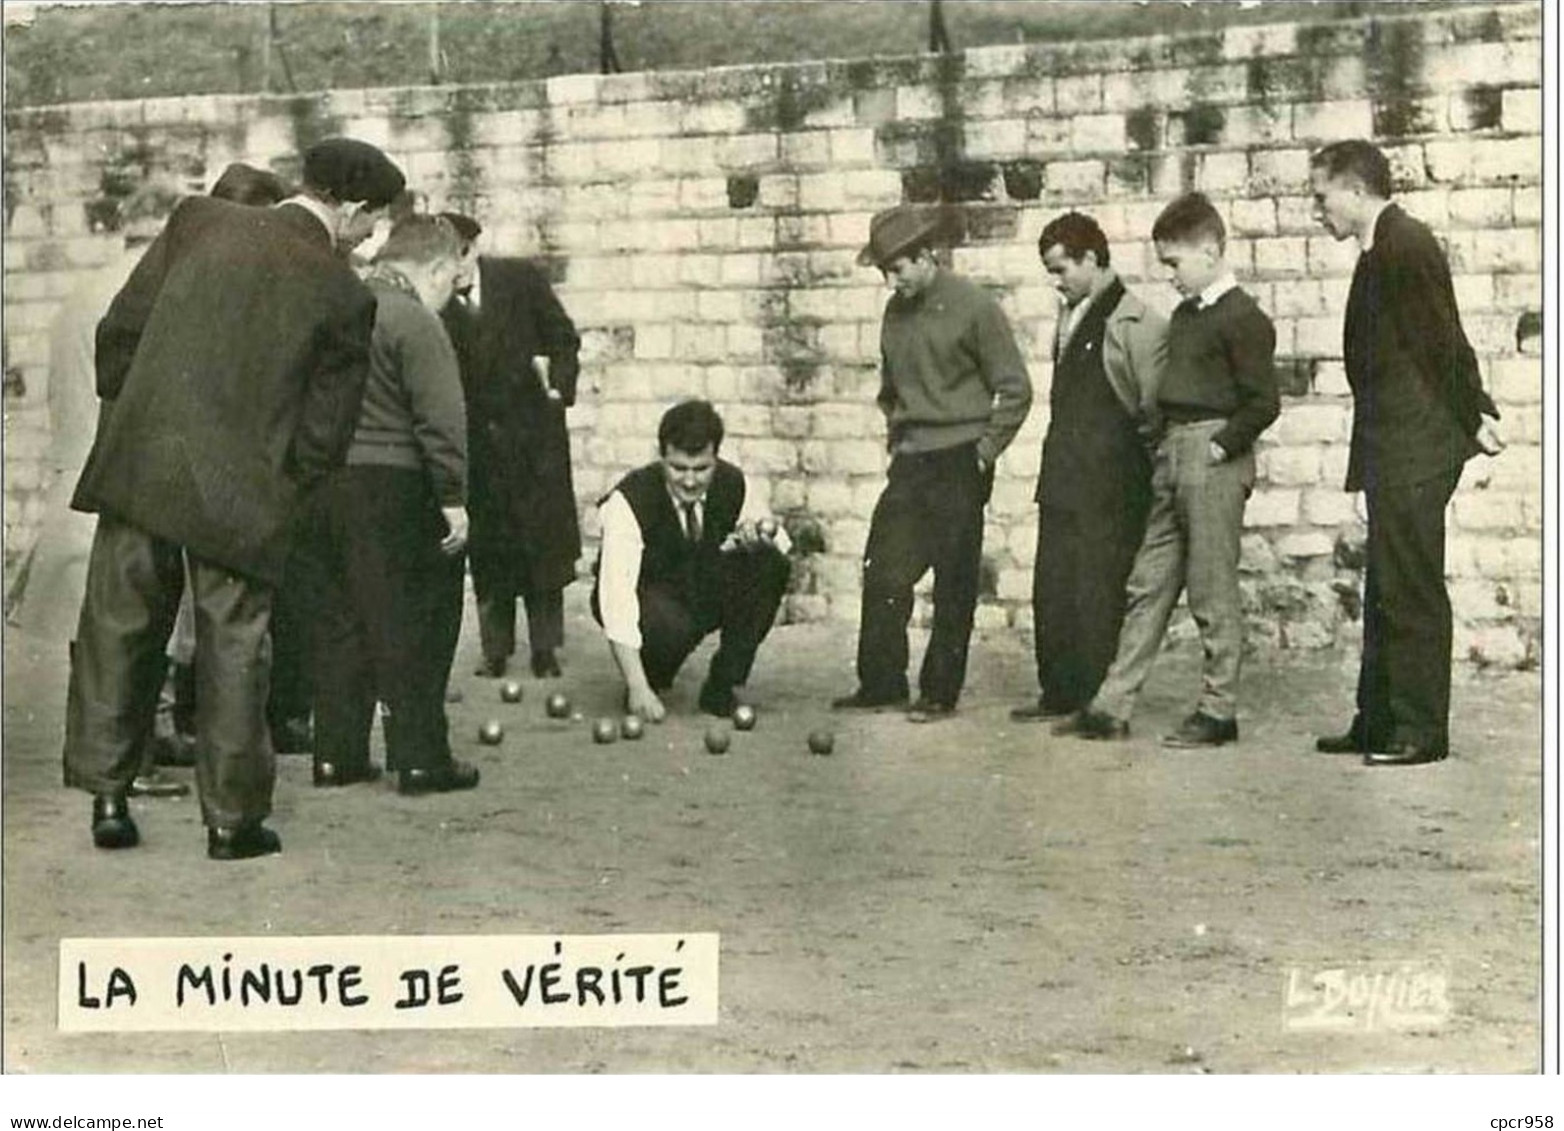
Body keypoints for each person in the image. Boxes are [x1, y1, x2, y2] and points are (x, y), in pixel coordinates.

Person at [64, 137, 403, 860]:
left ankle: (110, 798)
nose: (371, 237)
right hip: (242, 493)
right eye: (372, 222)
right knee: (236, 647)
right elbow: (324, 435)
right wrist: (283, 488)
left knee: (117, 630)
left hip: (144, 461)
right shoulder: (345, 294)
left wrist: (141, 419)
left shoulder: (196, 221)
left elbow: (118, 335)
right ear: (348, 207)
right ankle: (232, 821)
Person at [1308, 140, 1503, 767]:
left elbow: (1441, 337)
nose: (1317, 210)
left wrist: (1476, 413)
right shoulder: (1380, 247)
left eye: (1321, 196)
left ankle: (1420, 731)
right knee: (1386, 584)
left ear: (1356, 190)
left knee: (1410, 584)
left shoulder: (1406, 243)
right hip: (1393, 444)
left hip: (1416, 446)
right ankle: (1379, 720)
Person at [1067, 192, 1279, 747]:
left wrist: (1219, 447)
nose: (1170, 278)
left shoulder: (1245, 318)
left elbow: (1263, 403)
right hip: (1172, 451)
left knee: (1210, 590)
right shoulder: (1186, 316)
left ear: (1210, 252)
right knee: (1148, 581)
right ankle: (1112, 705)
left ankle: (1218, 710)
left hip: (1213, 454)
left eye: (1175, 263)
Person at [832, 204, 1032, 722]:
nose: (891, 282)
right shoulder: (894, 313)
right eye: (884, 273)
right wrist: (897, 439)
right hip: (912, 460)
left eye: (897, 270)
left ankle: (939, 691)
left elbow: (1015, 390)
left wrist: (982, 454)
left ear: (926, 256)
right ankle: (881, 682)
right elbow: (889, 390)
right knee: (883, 572)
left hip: (960, 461)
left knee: (953, 580)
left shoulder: (974, 307)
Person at [304, 214, 477, 795]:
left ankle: (336, 754)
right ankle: (421, 757)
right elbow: (441, 417)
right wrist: (453, 496)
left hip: (327, 487)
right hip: (396, 488)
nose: (451, 296)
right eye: (452, 281)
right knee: (417, 623)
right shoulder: (413, 320)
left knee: (340, 622)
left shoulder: (339, 307)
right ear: (432, 268)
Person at [36, 180, 190, 799]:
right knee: (133, 620)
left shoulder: (81, 291)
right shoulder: (151, 288)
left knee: (98, 623)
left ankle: (124, 746)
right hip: (123, 472)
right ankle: (127, 758)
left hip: (77, 462)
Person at [1011, 212, 1167, 724]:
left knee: (1098, 590)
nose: (1057, 282)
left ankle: (1094, 699)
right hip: (1063, 479)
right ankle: (1058, 691)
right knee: (1054, 587)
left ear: (1092, 260)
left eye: (1062, 270)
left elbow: (1151, 406)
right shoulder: (1069, 314)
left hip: (1112, 483)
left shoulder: (1135, 321)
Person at [439, 212, 583, 682]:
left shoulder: (519, 280)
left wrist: (559, 389)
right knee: (489, 547)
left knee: (544, 545)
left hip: (533, 437)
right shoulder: (435, 299)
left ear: (473, 249)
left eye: (457, 255)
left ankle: (546, 649)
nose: (452, 267)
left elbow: (563, 336)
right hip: (479, 444)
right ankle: (495, 650)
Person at [592, 399, 791, 721]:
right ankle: (651, 672)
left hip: (695, 589)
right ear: (662, 457)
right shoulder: (628, 500)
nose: (689, 481)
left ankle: (722, 686)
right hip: (648, 599)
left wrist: (757, 540)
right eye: (678, 468)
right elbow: (616, 599)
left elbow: (780, 544)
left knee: (770, 564)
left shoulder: (733, 482)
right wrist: (637, 687)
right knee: (668, 636)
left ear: (716, 458)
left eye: (701, 469)